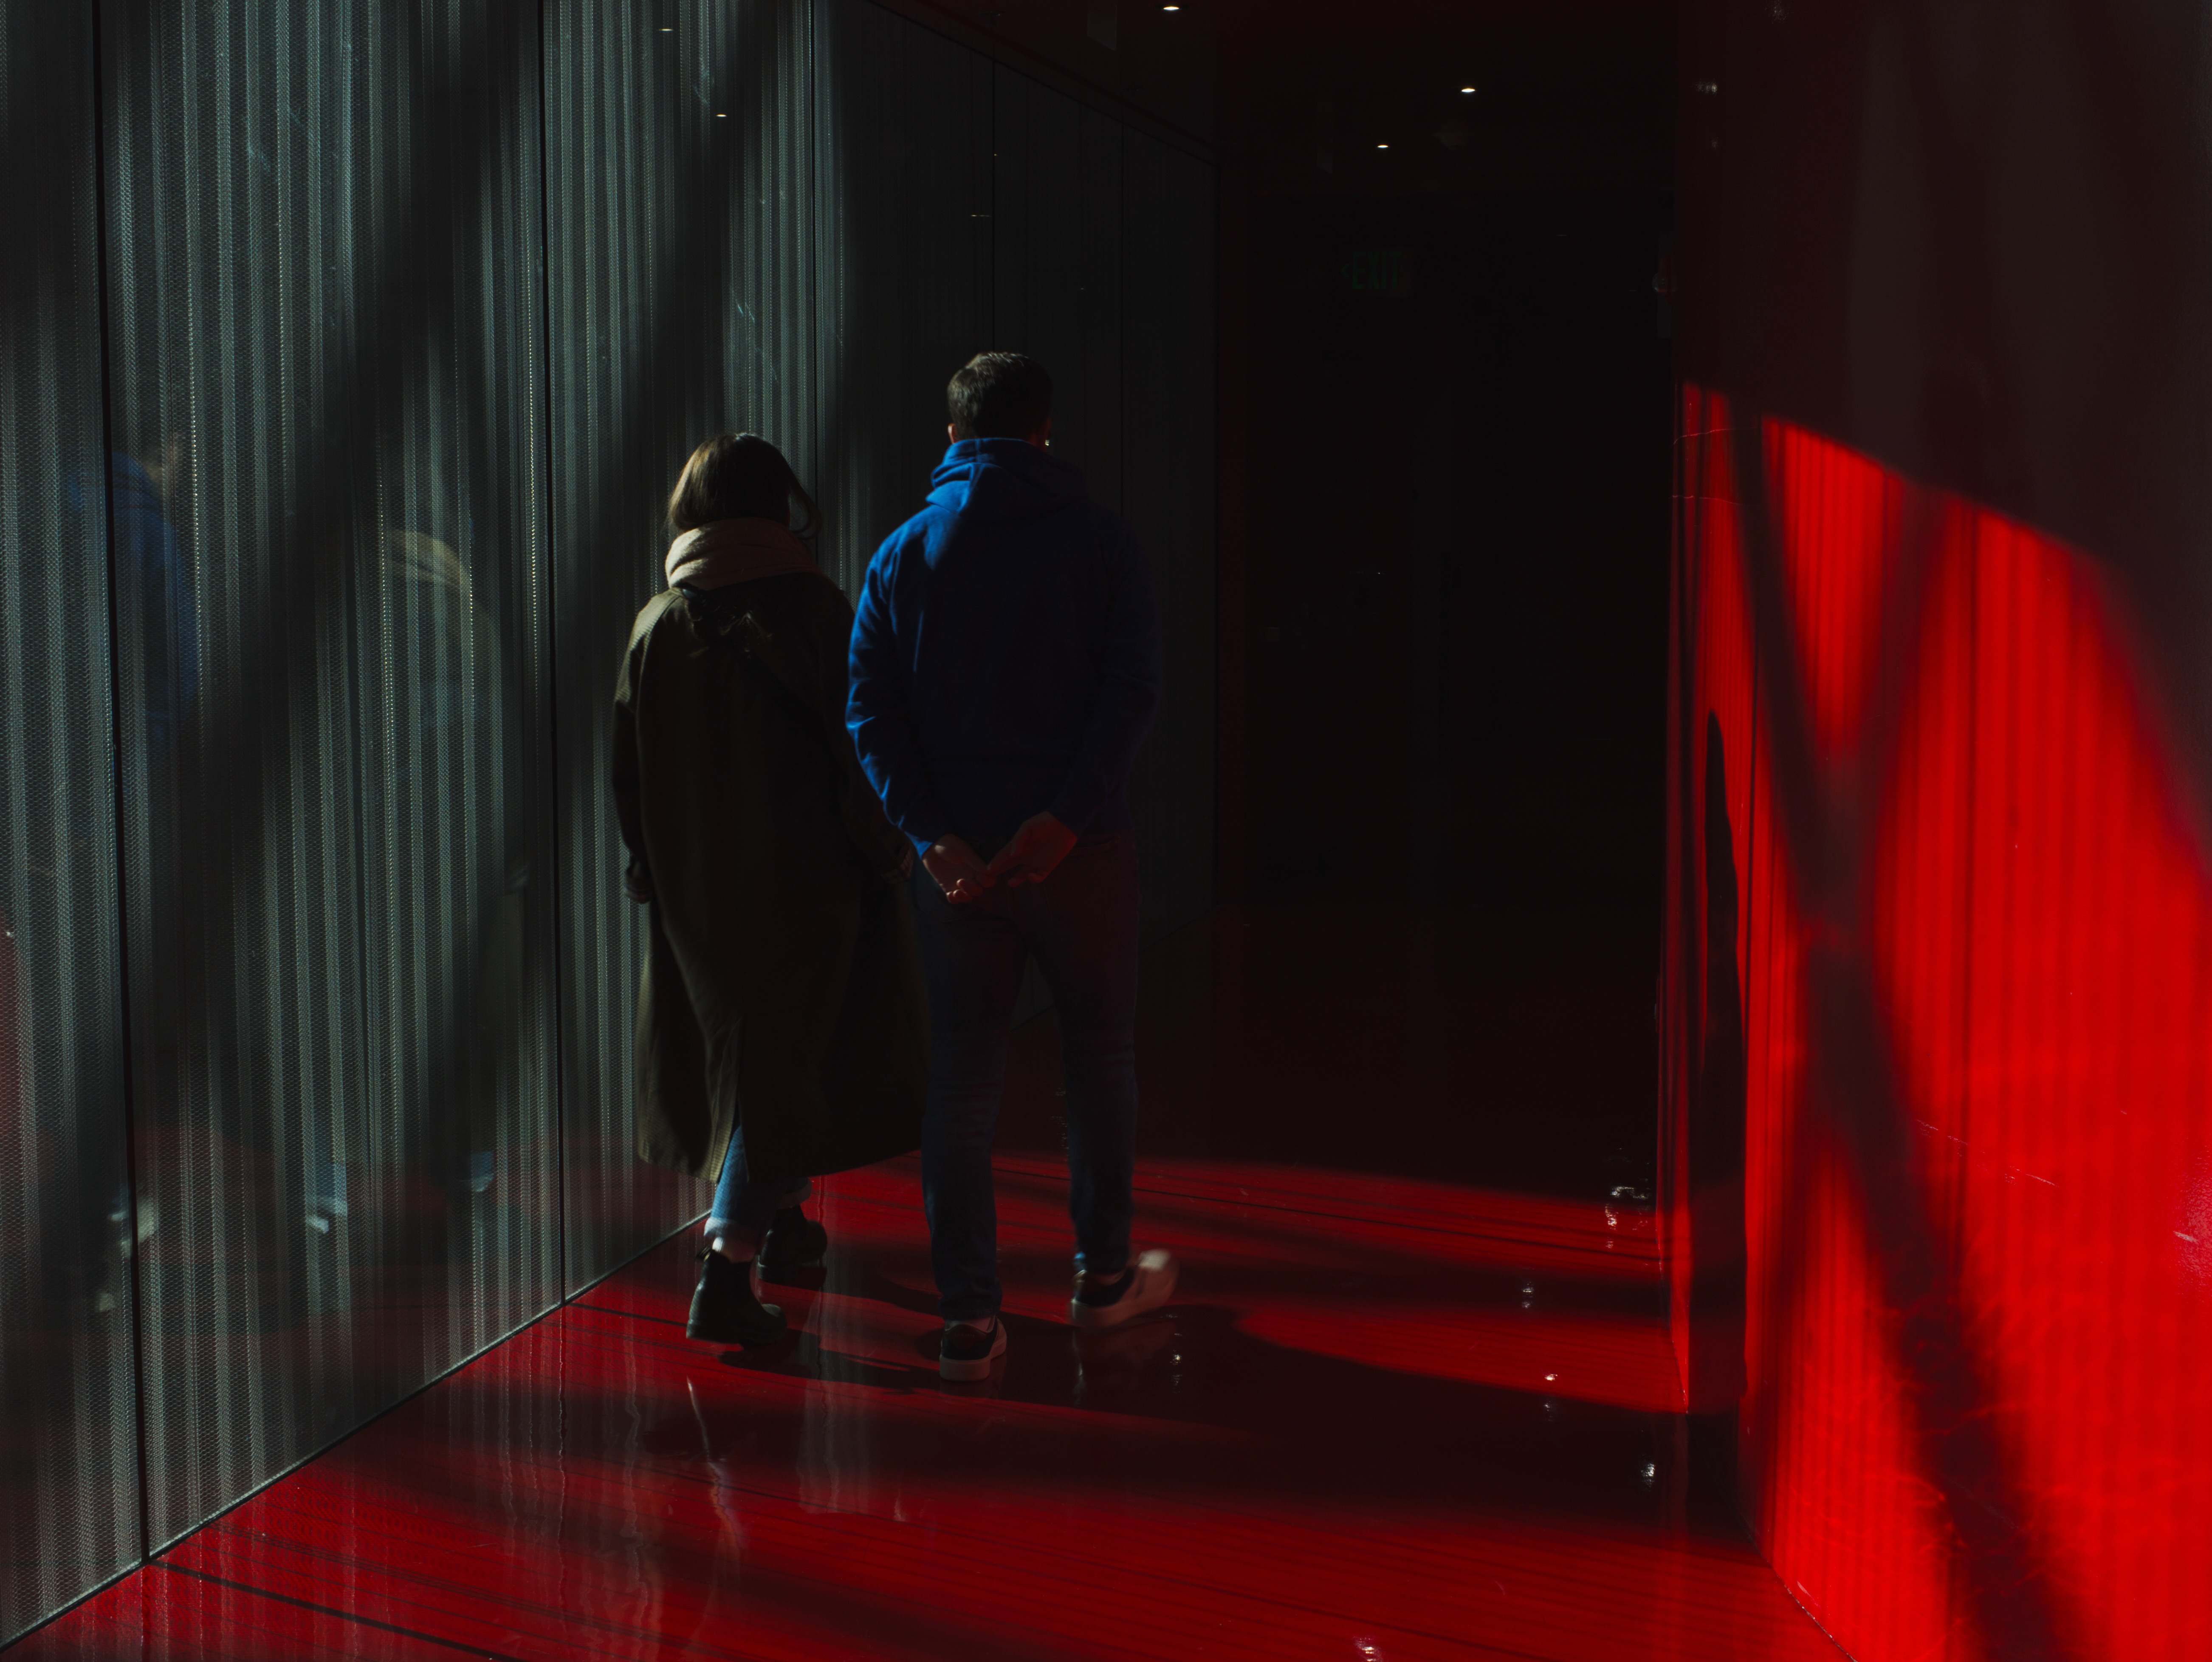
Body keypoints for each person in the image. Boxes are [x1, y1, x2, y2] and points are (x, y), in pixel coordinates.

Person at [848, 352, 1175, 1382]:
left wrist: (930, 833)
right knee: (1100, 1064)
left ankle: (971, 1319)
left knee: (963, 1084)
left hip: (957, 873)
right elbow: (1131, 691)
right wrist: (1067, 819)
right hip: (1080, 856)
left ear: (951, 439)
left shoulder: (905, 553)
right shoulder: (1101, 544)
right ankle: (1104, 1280)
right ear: (1045, 432)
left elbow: (871, 710)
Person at [612, 434, 927, 1346]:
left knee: (756, 1059)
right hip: (807, 881)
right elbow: (857, 744)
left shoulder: (656, 625)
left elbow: (627, 773)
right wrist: (888, 848)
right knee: (783, 1065)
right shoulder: (818, 612)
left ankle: (785, 1225)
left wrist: (652, 867)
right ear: (779, 504)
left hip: (698, 893)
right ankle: (726, 1269)